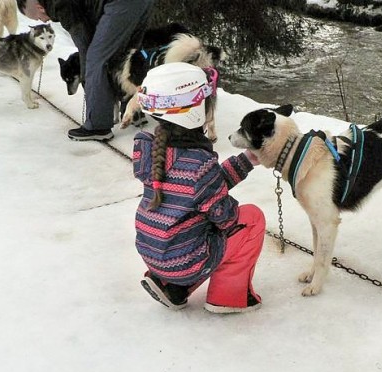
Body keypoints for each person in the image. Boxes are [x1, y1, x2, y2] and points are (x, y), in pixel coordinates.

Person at [133, 62, 265, 313]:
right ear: (195, 110)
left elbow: (196, 189)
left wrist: (245, 161)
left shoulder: (150, 150)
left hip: (154, 252)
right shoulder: (199, 164)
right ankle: (228, 296)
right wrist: (224, 205)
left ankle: (171, 286)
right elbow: (223, 216)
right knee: (251, 218)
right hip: (183, 260)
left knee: (194, 225)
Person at [18, 0, 154, 141]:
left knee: (96, 59)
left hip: (120, 4)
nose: (44, 21)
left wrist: (86, 78)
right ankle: (133, 111)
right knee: (127, 56)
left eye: (39, 18)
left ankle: (98, 125)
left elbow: (85, 44)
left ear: (40, 7)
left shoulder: (60, 5)